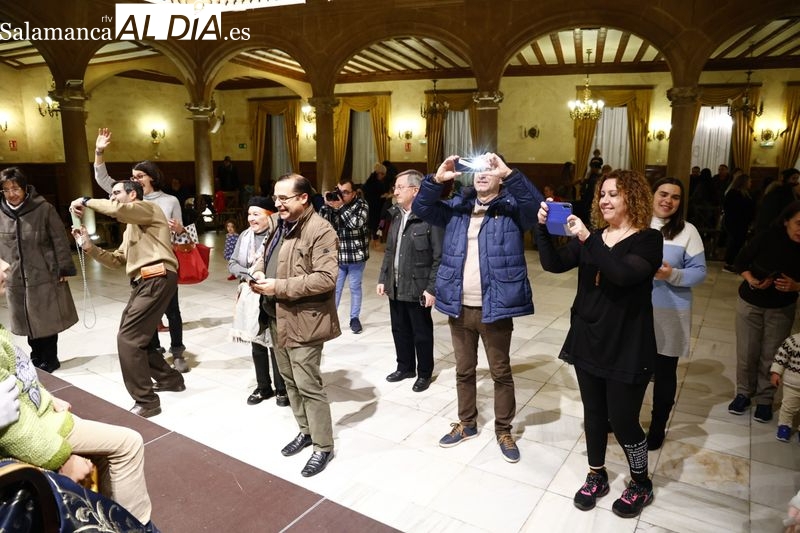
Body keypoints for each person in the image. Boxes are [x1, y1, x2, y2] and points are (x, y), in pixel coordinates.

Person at [536, 169, 663, 518]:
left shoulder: (648, 240)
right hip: (588, 337)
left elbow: (622, 275)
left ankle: (641, 482)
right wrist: (543, 229)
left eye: (613, 194)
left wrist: (586, 238)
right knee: (593, 414)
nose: (605, 200)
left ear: (632, 197)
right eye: (602, 194)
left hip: (627, 344)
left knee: (623, 419)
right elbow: (553, 264)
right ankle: (597, 475)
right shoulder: (594, 238)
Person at [0, 257, 160, 532]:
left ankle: (113, 521)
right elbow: (12, 426)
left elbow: (19, 377)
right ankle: (141, 528)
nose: (5, 265)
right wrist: (62, 458)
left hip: (41, 416)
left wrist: (48, 397)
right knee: (129, 443)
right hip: (40, 429)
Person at [412, 153, 542, 464]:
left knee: (500, 372)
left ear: (499, 176)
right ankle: (467, 423)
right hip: (459, 305)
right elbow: (421, 207)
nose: (482, 174)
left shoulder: (511, 209)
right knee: (464, 370)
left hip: (495, 306)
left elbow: (537, 208)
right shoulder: (457, 207)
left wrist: (510, 174)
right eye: (478, 169)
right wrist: (436, 181)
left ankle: (504, 429)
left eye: (490, 169)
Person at [70, 180, 186, 418]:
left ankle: (147, 401)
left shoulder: (148, 208)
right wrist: (89, 246)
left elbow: (117, 210)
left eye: (116, 193)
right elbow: (117, 260)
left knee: (128, 339)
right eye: (111, 194)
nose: (112, 198)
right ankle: (170, 379)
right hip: (145, 281)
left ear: (133, 195)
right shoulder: (130, 228)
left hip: (156, 276)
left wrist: (85, 200)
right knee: (138, 337)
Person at [250, 173, 340, 478]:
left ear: (303, 197)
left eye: (283, 198)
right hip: (276, 316)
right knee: (289, 381)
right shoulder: (280, 223)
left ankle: (323, 446)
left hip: (305, 321)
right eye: (275, 197)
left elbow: (326, 279)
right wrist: (259, 272)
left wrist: (279, 286)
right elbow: (265, 255)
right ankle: (305, 431)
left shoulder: (320, 230)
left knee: (308, 385)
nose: (277, 204)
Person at [94, 129, 189, 373]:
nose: (135, 179)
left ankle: (178, 352)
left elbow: (183, 236)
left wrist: (180, 229)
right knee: (148, 316)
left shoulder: (169, 201)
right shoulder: (127, 198)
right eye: (132, 176)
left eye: (140, 176)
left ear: (151, 178)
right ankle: (154, 351)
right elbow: (104, 181)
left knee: (172, 311)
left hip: (163, 261)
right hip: (140, 261)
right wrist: (99, 152)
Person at [647, 177, 707, 450]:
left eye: (675, 197)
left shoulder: (687, 231)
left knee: (664, 372)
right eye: (663, 194)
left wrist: (672, 274)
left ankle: (657, 426)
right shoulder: (637, 222)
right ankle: (622, 417)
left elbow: (700, 272)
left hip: (670, 312)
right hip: (636, 311)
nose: (668, 200)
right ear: (652, 195)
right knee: (631, 369)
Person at [0, 167, 78, 373]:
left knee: (46, 319)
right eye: (6, 190)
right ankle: (36, 357)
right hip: (15, 277)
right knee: (27, 320)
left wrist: (63, 268)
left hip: (44, 273)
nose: (11, 194)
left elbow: (59, 240)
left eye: (15, 188)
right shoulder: (1, 212)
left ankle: (50, 359)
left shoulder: (43, 209)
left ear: (25, 188)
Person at [729, 200, 800, 422]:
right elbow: (741, 261)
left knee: (771, 355)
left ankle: (765, 400)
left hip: (782, 308)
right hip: (750, 302)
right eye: (799, 223)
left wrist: (797, 286)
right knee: (747, 351)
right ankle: (743, 393)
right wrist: (751, 280)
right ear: (786, 221)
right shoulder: (767, 237)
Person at [377, 170, 443, 393]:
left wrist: (432, 288)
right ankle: (404, 367)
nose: (395, 192)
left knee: (421, 333)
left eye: (400, 187)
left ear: (415, 190)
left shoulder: (430, 217)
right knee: (399, 329)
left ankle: (424, 373)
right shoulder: (396, 215)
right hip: (395, 284)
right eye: (395, 187)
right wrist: (383, 278)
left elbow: (439, 256)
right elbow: (389, 251)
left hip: (418, 286)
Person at [228, 197, 288, 407]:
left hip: (272, 295)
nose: (251, 219)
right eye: (249, 214)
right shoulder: (245, 236)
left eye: (256, 214)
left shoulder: (278, 236)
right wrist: (248, 274)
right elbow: (233, 263)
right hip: (250, 294)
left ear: (270, 216)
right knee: (256, 342)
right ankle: (263, 387)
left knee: (275, 344)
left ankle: (282, 388)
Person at [320, 177, 370, 334]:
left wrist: (341, 207)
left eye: (345, 192)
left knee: (355, 288)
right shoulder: (334, 205)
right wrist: (326, 206)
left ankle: (354, 318)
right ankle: (331, 318)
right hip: (337, 256)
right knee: (335, 289)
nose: (341, 195)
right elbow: (323, 225)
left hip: (356, 256)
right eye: (339, 191)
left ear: (354, 193)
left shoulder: (361, 205)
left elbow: (355, 223)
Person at [722, 173, 755, 272]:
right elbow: (731, 208)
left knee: (738, 242)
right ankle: (729, 263)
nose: (751, 183)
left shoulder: (745, 193)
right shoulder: (734, 193)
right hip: (735, 222)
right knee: (735, 242)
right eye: (749, 181)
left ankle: (733, 262)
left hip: (741, 221)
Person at [771, 333, 800, 443]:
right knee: (788, 407)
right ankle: (784, 425)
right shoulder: (793, 341)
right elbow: (780, 358)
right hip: (793, 384)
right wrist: (776, 373)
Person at [754, 168, 800, 235]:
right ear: (787, 179)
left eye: (797, 178)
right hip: (775, 228)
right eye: (793, 178)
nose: (796, 181)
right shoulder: (778, 192)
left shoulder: (792, 192)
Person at [362, 163, 389, 239]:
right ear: (379, 173)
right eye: (383, 174)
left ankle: (377, 236)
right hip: (374, 207)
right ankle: (376, 237)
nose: (384, 176)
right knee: (381, 219)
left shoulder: (373, 180)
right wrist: (383, 196)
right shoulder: (373, 182)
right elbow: (372, 196)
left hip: (374, 206)